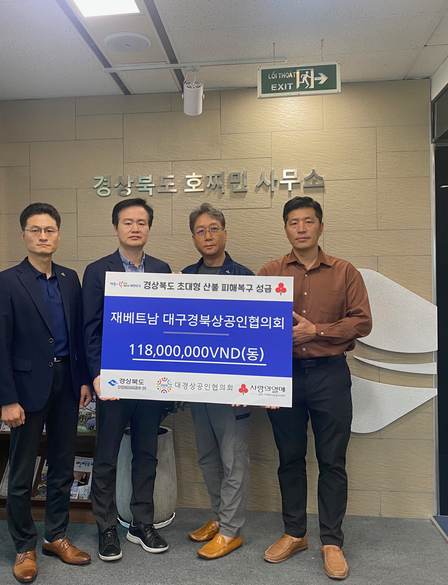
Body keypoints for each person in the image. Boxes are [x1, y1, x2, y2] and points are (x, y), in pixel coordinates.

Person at [258, 196, 372, 580]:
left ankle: (331, 541)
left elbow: (362, 322)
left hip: (330, 375)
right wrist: (263, 384)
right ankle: (294, 533)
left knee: (332, 461)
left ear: (321, 227)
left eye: (308, 221)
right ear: (285, 229)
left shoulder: (344, 272)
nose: (301, 228)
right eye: (294, 222)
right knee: (289, 458)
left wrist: (317, 331)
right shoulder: (270, 273)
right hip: (284, 376)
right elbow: (256, 328)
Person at [0, 202, 92, 583]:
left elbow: (78, 335)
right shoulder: (6, 281)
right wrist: (7, 398)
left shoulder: (69, 278)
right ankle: (24, 546)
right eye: (35, 230)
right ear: (23, 235)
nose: (43, 236)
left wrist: (83, 379)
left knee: (62, 466)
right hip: (26, 389)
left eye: (49, 230)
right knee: (21, 471)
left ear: (58, 235)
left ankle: (55, 536)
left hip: (67, 383)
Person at [82, 198, 172, 561]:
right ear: (116, 227)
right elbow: (91, 329)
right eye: (127, 222)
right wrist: (96, 374)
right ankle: (106, 527)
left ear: (149, 228)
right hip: (114, 380)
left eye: (141, 222)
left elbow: (167, 324)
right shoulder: (97, 270)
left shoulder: (162, 269)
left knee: (146, 453)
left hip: (151, 379)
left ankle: (141, 523)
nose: (135, 228)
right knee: (106, 455)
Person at [181, 203, 253, 559]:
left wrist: (250, 382)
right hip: (198, 386)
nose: (207, 236)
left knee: (233, 460)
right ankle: (219, 517)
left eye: (213, 228)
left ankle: (231, 530)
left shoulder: (245, 278)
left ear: (225, 233)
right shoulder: (185, 278)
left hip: (232, 388)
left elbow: (257, 335)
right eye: (200, 230)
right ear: (193, 238)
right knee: (208, 459)